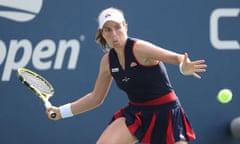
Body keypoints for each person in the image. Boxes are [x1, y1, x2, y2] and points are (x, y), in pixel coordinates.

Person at [47, 7, 207, 144]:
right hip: (136, 113)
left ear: (125, 27)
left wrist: (183, 67)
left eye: (117, 27)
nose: (114, 34)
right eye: (107, 30)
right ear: (102, 34)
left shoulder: (139, 48)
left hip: (166, 112)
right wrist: (61, 112)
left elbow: (177, 58)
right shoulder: (107, 62)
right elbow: (96, 98)